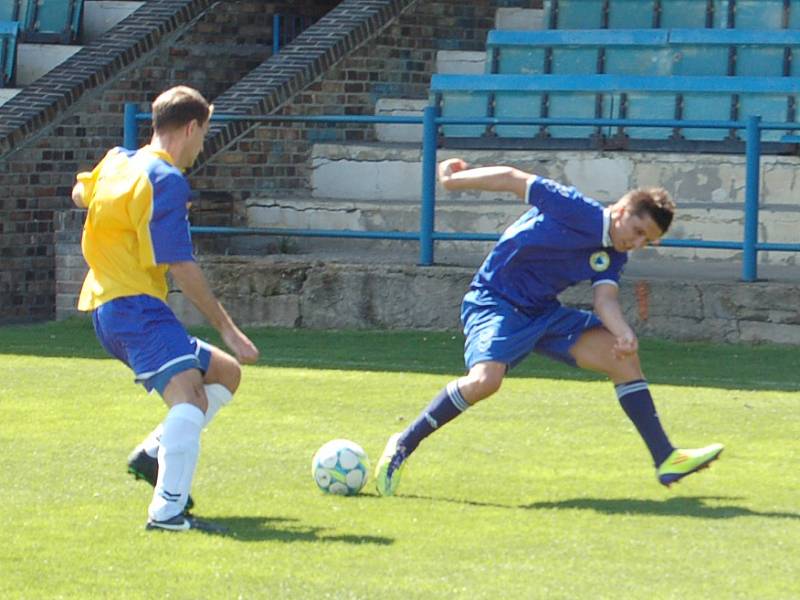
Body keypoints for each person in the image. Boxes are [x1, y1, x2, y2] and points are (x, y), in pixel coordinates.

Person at [375, 158, 723, 496]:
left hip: (544, 313)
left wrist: (623, 333)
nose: (636, 243)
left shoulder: (613, 254)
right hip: (496, 301)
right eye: (638, 232)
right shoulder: (573, 207)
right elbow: (512, 179)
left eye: (646, 241)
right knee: (485, 382)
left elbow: (605, 300)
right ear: (621, 210)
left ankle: (664, 457)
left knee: (623, 359)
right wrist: (452, 181)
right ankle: (405, 442)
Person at [72, 86, 259, 531]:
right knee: (191, 400)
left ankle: (155, 455)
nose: (201, 146)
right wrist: (227, 327)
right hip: (136, 308)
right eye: (203, 135)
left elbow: (80, 195)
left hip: (109, 307)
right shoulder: (166, 179)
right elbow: (180, 264)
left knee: (225, 373)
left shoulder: (118, 160)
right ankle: (167, 512)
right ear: (192, 127)